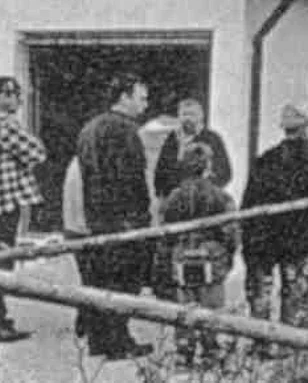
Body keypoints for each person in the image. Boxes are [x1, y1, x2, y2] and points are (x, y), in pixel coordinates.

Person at [241, 104, 308, 358]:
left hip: (263, 237)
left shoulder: (266, 159)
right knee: (293, 290)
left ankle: (261, 345)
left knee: (262, 292)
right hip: (296, 236)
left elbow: (249, 201)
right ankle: (288, 345)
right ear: (306, 128)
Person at [75, 73, 153, 360]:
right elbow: (132, 180)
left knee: (99, 279)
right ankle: (119, 341)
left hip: (96, 218)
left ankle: (99, 341)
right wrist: (142, 215)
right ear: (124, 96)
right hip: (124, 219)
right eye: (141, 98)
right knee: (124, 282)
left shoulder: (90, 128)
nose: (145, 105)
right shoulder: (126, 130)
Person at [0, 77, 47, 342]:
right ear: (0, 96)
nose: (19, 100)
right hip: (1, 203)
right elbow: (37, 153)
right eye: (15, 94)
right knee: (0, 264)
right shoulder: (2, 124)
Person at [157, 142, 240, 368]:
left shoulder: (174, 198)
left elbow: (164, 234)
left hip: (182, 254)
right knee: (211, 305)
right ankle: (211, 351)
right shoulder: (221, 196)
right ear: (208, 166)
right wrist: (228, 257)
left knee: (185, 305)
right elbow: (231, 233)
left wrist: (167, 259)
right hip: (211, 255)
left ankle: (184, 351)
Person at [153, 98, 232, 201]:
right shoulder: (172, 139)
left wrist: (205, 189)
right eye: (184, 114)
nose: (188, 118)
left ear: (200, 117)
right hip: (175, 200)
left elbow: (225, 173)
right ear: (179, 117)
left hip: (204, 200)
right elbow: (160, 173)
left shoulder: (212, 139)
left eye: (192, 114)